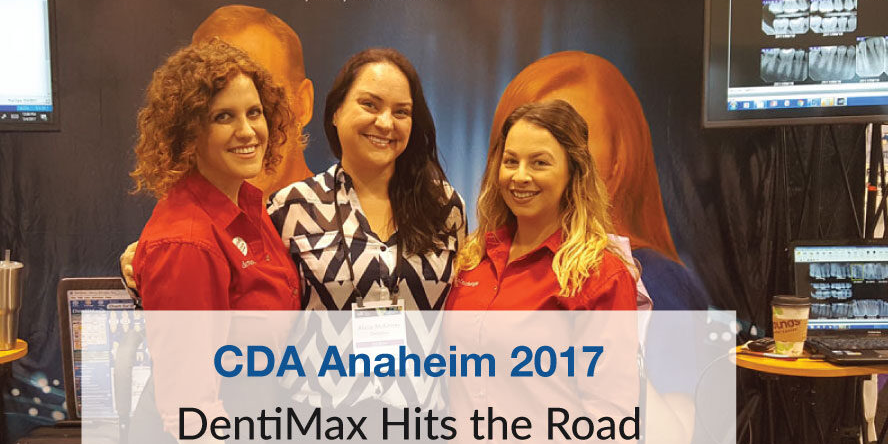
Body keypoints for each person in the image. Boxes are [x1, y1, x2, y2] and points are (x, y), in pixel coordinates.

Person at [127, 39, 300, 444]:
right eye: (224, 116)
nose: (248, 131)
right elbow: (189, 405)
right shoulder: (187, 241)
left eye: (254, 112)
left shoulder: (245, 206)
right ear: (188, 131)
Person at [490, 51, 711, 311]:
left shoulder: (643, 279)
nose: (523, 175)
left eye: (572, 138)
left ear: (620, 157)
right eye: (512, 158)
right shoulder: (476, 260)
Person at [267, 48, 465, 312]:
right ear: (336, 112)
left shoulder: (444, 205)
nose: (385, 123)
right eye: (370, 105)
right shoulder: (290, 207)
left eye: (401, 112)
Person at [446, 99, 637, 310]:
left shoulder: (603, 276)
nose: (520, 176)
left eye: (540, 163)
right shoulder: (472, 257)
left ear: (573, 173)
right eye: (511, 161)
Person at [192, 5, 315, 196]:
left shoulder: (338, 212)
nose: (245, 131)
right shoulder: (184, 213)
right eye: (222, 114)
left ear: (303, 104)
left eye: (266, 97)